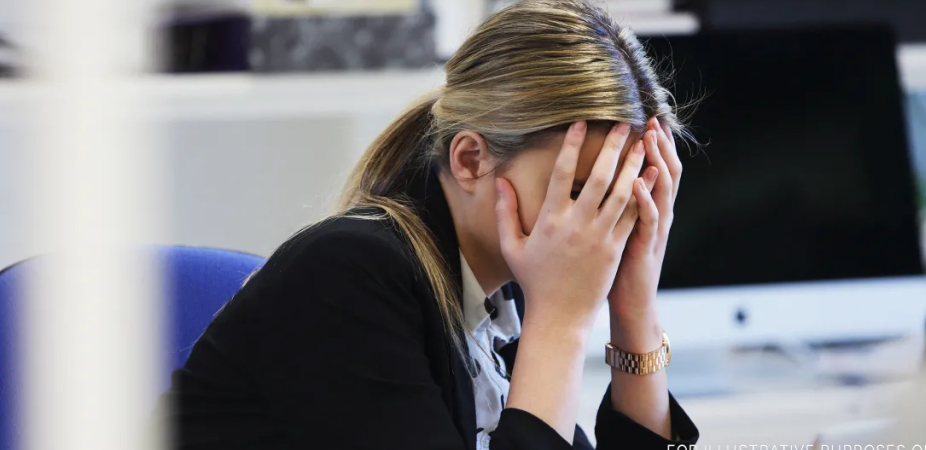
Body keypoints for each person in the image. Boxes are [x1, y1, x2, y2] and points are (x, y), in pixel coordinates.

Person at [159, 1, 700, 448]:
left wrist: (634, 308)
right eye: (580, 194)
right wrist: (560, 323)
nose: (604, 230)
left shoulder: (504, 299)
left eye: (625, 197)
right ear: (469, 161)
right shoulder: (347, 276)